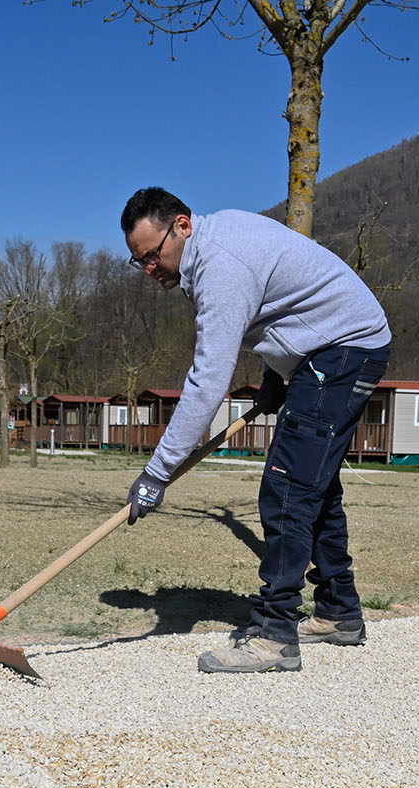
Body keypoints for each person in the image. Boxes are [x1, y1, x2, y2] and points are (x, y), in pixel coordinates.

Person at [121, 187, 393, 674]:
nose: (149, 269)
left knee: (287, 485)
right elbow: (283, 305)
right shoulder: (215, 242)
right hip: (329, 348)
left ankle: (273, 636)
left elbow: (207, 384)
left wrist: (157, 473)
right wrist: (275, 377)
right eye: (137, 261)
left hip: (343, 349)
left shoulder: (219, 266)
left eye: (152, 254)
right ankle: (339, 611)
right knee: (315, 485)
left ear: (181, 225)